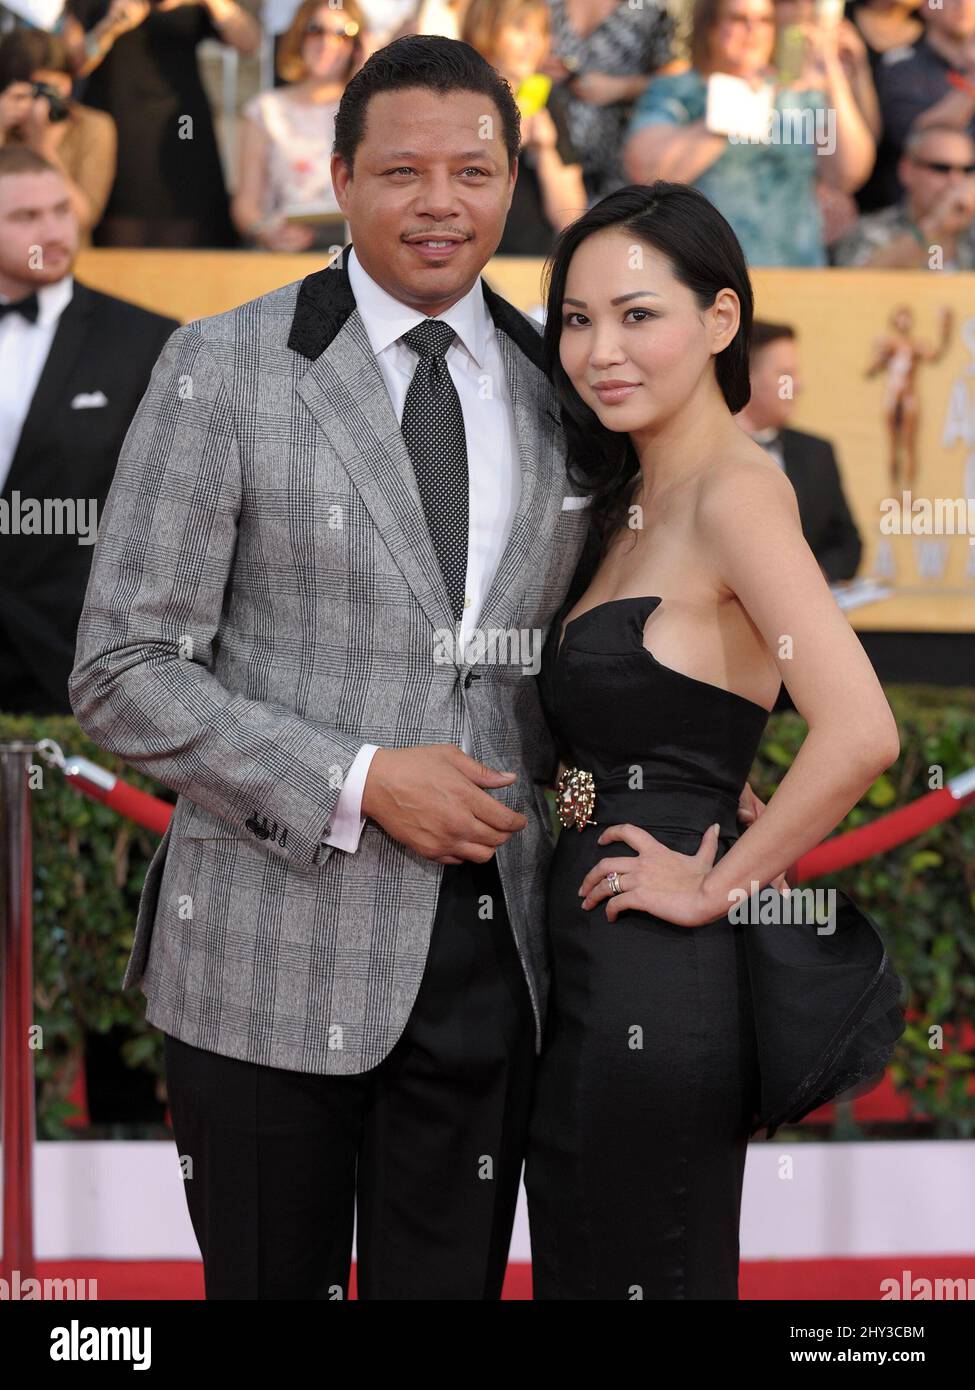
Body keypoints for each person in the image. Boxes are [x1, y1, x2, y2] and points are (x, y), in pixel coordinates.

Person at [69, 32, 632, 1300]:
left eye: (474, 172)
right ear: (339, 177)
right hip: (264, 956)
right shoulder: (222, 366)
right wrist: (361, 777)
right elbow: (121, 663)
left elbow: (580, 660)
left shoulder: (567, 388)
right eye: (403, 172)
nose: (442, 203)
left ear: (513, 180)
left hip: (495, 962)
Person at [523, 181, 905, 1299]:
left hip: (659, 967)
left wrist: (716, 884)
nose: (601, 348)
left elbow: (862, 729)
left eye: (639, 314)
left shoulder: (739, 493)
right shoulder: (632, 494)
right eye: (578, 318)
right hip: (590, 959)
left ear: (722, 322)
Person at [0, 147, 177, 716]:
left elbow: (172, 515)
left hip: (77, 666)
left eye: (60, 211)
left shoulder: (145, 341)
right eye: (25, 218)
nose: (52, 231)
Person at [624, 0, 875, 266]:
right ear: (710, 26)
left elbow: (849, 172)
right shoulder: (677, 90)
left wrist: (830, 69)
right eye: (738, 19)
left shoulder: (795, 96)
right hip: (707, 275)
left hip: (797, 273)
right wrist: (742, 101)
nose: (752, 30)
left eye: (764, 21)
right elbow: (647, 171)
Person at [61, 0, 260, 246]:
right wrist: (110, 25)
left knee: (190, 219)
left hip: (183, 125)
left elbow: (249, 43)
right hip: (118, 121)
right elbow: (72, 64)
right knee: (122, 228)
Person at [232, 0, 367, 251]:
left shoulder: (369, 110)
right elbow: (245, 205)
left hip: (355, 259)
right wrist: (265, 233)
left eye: (343, 34)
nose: (327, 42)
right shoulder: (266, 109)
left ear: (356, 45)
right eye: (316, 30)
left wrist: (368, 81)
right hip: (284, 257)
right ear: (299, 35)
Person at [736, 321, 863, 581]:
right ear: (746, 376)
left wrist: (812, 578)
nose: (798, 385)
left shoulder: (817, 453)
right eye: (786, 375)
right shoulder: (702, 450)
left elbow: (848, 545)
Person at [461, 0, 586, 254]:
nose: (533, 43)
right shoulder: (456, 96)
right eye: (519, 28)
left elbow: (570, 218)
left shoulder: (545, 100)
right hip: (469, 259)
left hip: (531, 260)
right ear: (487, 28)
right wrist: (503, 146)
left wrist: (546, 150)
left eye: (541, 32)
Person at [544, 0, 676, 202]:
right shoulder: (545, 4)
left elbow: (676, 82)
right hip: (544, 158)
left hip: (612, 174)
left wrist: (620, 88)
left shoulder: (651, 12)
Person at [0, 26, 117, 245]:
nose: (46, 99)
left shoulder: (93, 126)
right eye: (37, 89)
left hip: (66, 256)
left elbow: (82, 219)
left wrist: (44, 150)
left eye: (54, 88)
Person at [875, 0, 975, 208]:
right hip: (922, 216)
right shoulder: (901, 67)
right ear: (926, 6)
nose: (963, 4)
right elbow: (917, 137)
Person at [834, 122, 975, 266]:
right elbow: (859, 283)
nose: (956, 180)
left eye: (967, 170)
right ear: (906, 170)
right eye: (941, 168)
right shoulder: (869, 231)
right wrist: (935, 226)